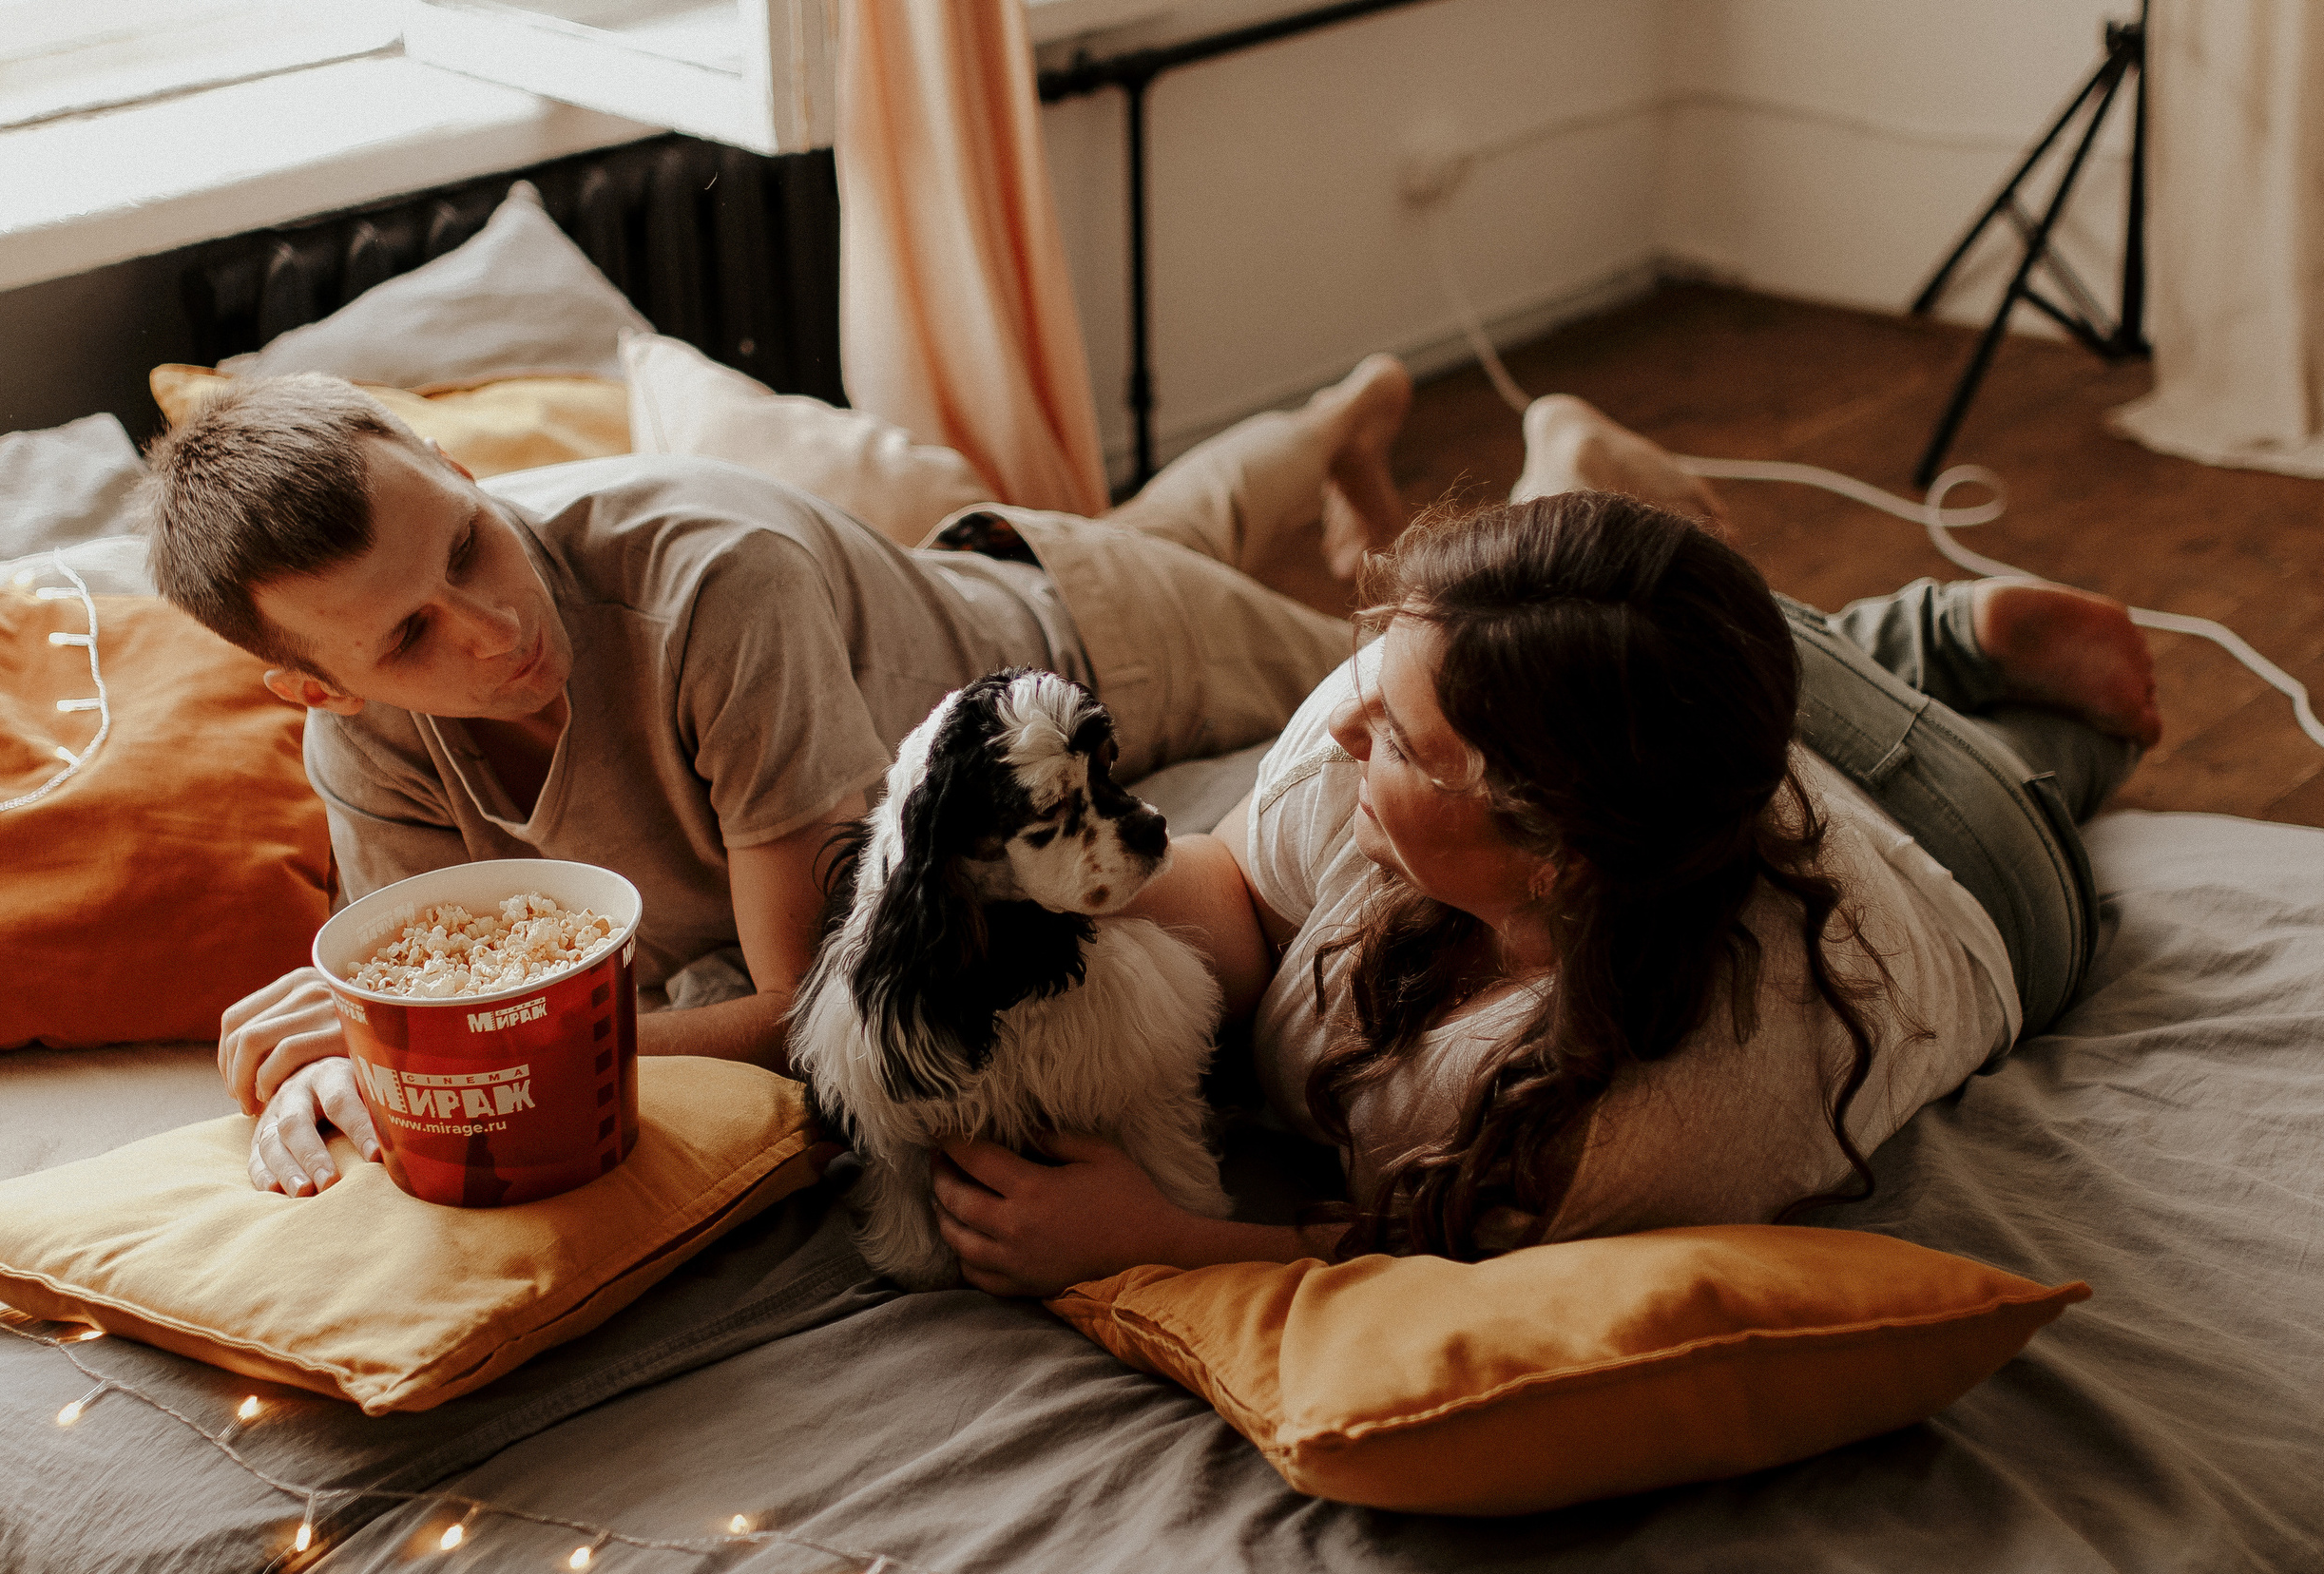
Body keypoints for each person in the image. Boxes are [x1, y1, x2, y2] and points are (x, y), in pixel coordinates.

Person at [926, 396, 2161, 1295]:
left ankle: (1952, 650)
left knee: (2060, 762)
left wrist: (1157, 1241)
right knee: (1664, 640)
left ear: (1556, 853)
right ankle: (1887, 630)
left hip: (1973, 862)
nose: (1345, 722)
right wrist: (1025, 906)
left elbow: (1441, 1275)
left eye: (1407, 743)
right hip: (1732, 703)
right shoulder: (1391, 717)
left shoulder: (1673, 1109)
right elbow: (1238, 889)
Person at [151, 358, 1417, 1196]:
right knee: (1178, 522)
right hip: (914, 612)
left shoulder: (716, 584)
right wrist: (368, 1054)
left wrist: (424, 1065)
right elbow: (466, 983)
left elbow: (809, 1004)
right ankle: (1330, 428)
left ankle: (1559, 461)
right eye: (413, 635)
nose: (494, 627)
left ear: (464, 475)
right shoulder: (361, 746)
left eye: (469, 547)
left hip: (1083, 642)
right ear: (323, 690)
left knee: (1429, 657)